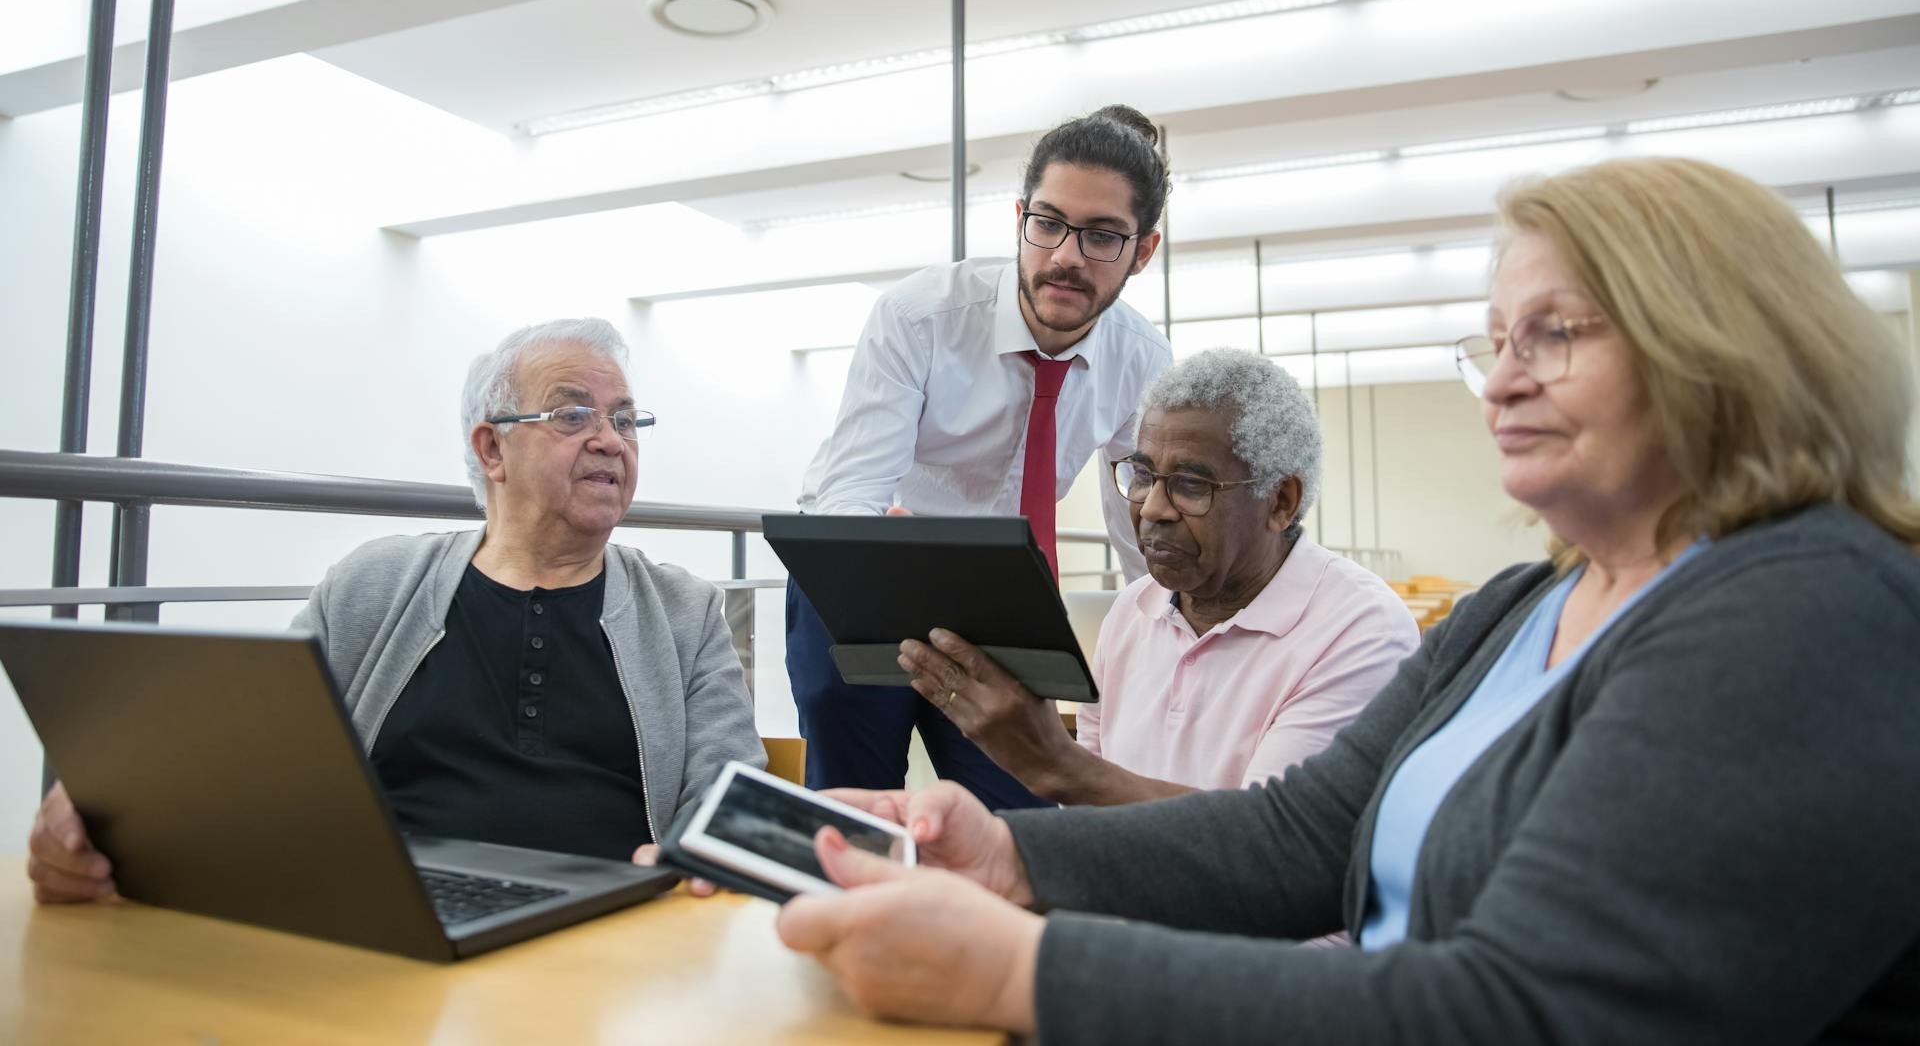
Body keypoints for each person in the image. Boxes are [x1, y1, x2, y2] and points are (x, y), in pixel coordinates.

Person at [768, 157, 1920, 1042]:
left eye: (1555, 335)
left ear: (1719, 352)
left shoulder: (1806, 613)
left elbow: (1523, 1014)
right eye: (1497, 339)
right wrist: (1013, 860)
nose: (1504, 378)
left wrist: (1020, 970)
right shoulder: (1521, 608)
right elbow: (1305, 831)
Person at [27, 318, 765, 902]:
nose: (611, 440)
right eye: (574, 415)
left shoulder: (686, 614)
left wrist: (696, 850)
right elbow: (258, 748)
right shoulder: (375, 585)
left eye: (627, 420)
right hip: (383, 911)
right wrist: (109, 803)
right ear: (492, 449)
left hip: (612, 930)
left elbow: (732, 803)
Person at [788, 104, 1175, 810]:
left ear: (1142, 251)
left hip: (1000, 596)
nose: (1064, 255)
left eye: (1101, 237)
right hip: (871, 570)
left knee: (1019, 817)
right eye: (1049, 223)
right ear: (1022, 216)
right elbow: (852, 490)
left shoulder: (1142, 360)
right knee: (854, 811)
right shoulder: (920, 315)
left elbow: (1143, 535)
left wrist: (1172, 653)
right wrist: (875, 565)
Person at [898, 348, 1418, 808]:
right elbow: (1094, 820)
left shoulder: (1360, 630)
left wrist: (1053, 764)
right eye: (1143, 476)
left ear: (1279, 502)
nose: (1153, 510)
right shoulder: (1134, 610)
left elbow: (1275, 843)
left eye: (1192, 485)